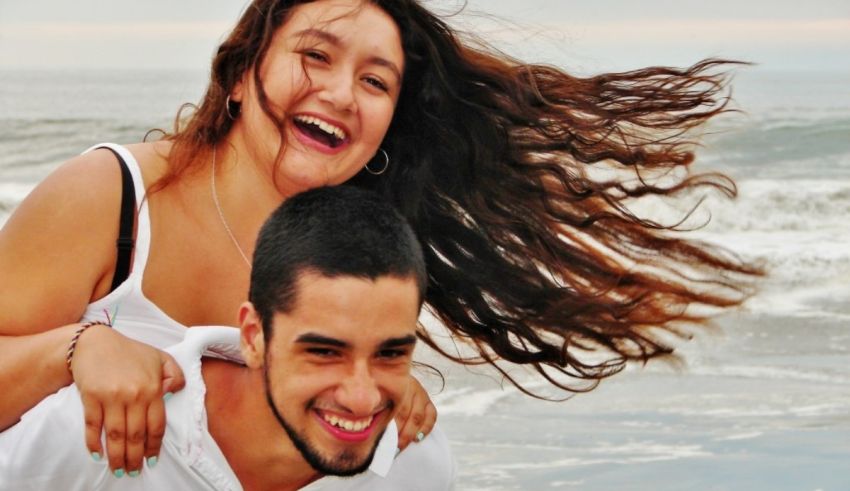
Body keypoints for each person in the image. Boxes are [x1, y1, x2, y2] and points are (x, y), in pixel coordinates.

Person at [0, 0, 760, 479]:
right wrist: (74, 350)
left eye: (376, 80)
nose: (339, 93)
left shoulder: (356, 247)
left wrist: (369, 392)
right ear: (238, 73)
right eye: (317, 55)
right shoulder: (116, 198)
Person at [0, 186, 455, 490]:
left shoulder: (415, 464)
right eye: (324, 352)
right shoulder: (104, 432)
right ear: (254, 337)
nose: (361, 397)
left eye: (390, 354)